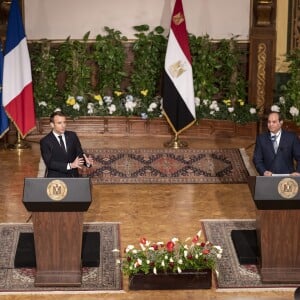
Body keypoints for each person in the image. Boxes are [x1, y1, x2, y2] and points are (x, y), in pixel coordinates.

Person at [40, 111, 93, 177]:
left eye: (64, 122)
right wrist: (70, 165)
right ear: (52, 125)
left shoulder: (72, 136)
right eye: (59, 123)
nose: (63, 125)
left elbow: (79, 153)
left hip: (73, 176)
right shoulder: (45, 141)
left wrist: (87, 162)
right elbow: (49, 163)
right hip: (56, 179)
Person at [253, 111, 300, 176]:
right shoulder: (261, 139)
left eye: (274, 122)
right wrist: (263, 171)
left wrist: (298, 172)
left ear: (281, 122)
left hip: (288, 178)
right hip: (269, 177)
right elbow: (257, 159)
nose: (271, 124)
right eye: (269, 122)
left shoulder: (292, 138)